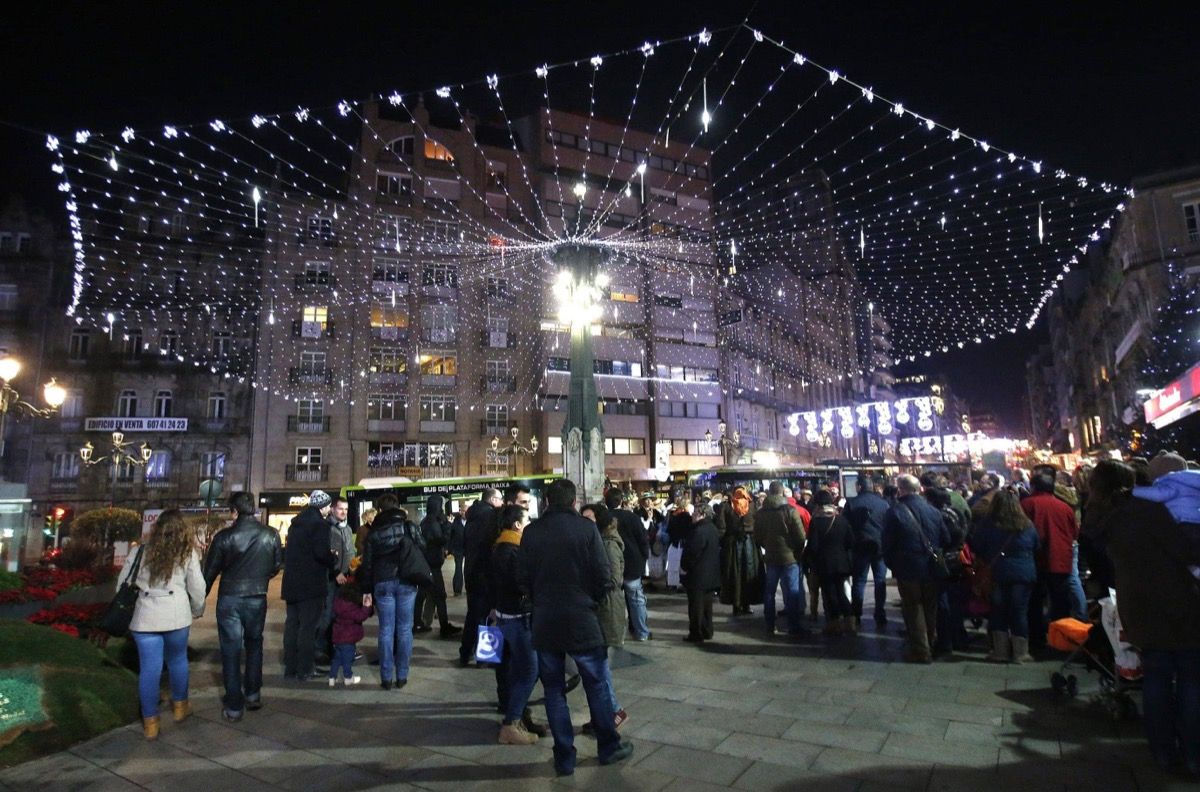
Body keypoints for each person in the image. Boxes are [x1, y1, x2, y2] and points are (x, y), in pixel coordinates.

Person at [518, 478, 633, 776]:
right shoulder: (586, 530)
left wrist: (539, 598)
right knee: (596, 684)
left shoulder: (531, 533)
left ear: (545, 501)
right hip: (582, 618)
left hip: (546, 620)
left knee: (554, 690)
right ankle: (608, 746)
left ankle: (564, 756)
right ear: (572, 502)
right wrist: (588, 600)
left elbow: (522, 578)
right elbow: (604, 576)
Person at [1107, 455, 1200, 776]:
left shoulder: (1130, 512)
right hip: (1189, 608)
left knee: (1157, 679)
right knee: (1192, 681)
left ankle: (1162, 752)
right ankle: (1193, 755)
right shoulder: (1191, 506)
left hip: (1146, 610)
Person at [122, 509, 206, 740]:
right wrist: (198, 608)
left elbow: (122, 584)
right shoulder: (186, 553)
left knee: (149, 669)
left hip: (145, 616)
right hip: (176, 614)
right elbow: (197, 587)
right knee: (178, 660)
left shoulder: (139, 551)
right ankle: (180, 707)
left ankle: (151, 722)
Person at [202, 492, 283, 722]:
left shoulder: (224, 537)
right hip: (257, 596)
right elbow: (276, 565)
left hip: (230, 597)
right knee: (255, 643)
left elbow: (210, 572)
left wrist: (198, 599)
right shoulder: (270, 534)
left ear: (234, 511)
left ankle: (234, 705)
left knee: (230, 649)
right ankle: (253, 693)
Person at [489, 503, 547, 745]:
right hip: (517, 619)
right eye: (527, 519)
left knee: (518, 670)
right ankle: (511, 723)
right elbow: (519, 584)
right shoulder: (510, 549)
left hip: (508, 616)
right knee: (530, 670)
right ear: (517, 524)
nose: (530, 523)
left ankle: (520, 714)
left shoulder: (503, 545)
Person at [360, 492, 429, 690]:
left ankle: (386, 677)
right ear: (398, 506)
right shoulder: (409, 526)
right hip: (406, 581)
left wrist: (366, 590)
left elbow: (368, 564)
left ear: (380, 510)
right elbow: (423, 548)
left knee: (385, 630)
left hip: (382, 582)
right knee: (405, 629)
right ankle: (402, 675)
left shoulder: (374, 532)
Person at [882, 475, 951, 663]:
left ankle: (921, 650)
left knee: (913, 608)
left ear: (900, 489)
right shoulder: (933, 511)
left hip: (907, 568)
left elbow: (887, 543)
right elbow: (945, 538)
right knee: (930, 607)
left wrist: (893, 564)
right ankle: (930, 641)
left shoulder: (894, 512)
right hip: (931, 566)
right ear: (918, 489)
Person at [972, 489, 1039, 663]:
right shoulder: (1027, 525)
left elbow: (977, 546)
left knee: (998, 611)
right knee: (1019, 612)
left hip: (997, 573)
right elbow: (1036, 546)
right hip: (1023, 574)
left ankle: (1000, 651)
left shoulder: (988, 524)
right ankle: (1021, 652)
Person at [1023, 466, 1085, 653]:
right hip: (1061, 560)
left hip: (1036, 560)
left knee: (1035, 602)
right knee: (1060, 602)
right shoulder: (1065, 507)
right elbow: (1075, 533)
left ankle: (1037, 638)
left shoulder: (1027, 504)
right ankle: (1061, 639)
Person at [282, 490, 339, 682]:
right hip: (311, 584)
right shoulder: (320, 525)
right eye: (329, 506)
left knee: (292, 626)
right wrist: (333, 557)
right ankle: (306, 669)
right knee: (308, 628)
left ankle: (290, 668)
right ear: (323, 507)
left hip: (292, 584)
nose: (330, 509)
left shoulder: (296, 524)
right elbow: (321, 554)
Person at [581, 502, 628, 732]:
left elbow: (613, 579)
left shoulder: (607, 545)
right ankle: (604, 714)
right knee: (597, 667)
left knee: (599, 667)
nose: (584, 523)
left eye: (589, 519)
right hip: (599, 608)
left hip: (606, 609)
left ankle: (613, 711)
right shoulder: (595, 542)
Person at [754, 481, 808, 637]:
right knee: (792, 591)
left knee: (769, 592)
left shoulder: (761, 513)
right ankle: (794, 625)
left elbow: (758, 537)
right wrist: (796, 550)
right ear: (782, 492)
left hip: (771, 557)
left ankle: (770, 624)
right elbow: (800, 537)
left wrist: (768, 546)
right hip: (790, 557)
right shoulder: (790, 511)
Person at [460, 487, 503, 666]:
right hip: (485, 572)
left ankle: (466, 652)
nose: (501, 503)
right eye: (499, 499)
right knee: (488, 615)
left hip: (472, 571)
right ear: (492, 500)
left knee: (474, 614)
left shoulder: (473, 516)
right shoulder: (490, 517)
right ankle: (485, 657)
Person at [803, 489, 855, 635]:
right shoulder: (841, 519)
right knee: (842, 592)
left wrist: (809, 560)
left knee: (829, 594)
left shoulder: (816, 521)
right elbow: (850, 541)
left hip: (824, 563)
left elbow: (813, 545)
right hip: (842, 562)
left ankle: (833, 624)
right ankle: (850, 623)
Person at [845, 474, 890, 630]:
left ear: (859, 486)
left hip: (860, 546)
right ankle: (880, 613)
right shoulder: (883, 504)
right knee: (880, 581)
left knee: (859, 581)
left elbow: (847, 527)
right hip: (879, 547)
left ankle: (856, 614)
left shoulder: (852, 503)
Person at [606, 489, 652, 641]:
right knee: (636, 600)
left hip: (611, 566)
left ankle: (617, 635)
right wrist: (643, 558)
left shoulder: (604, 519)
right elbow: (643, 540)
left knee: (614, 602)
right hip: (632, 564)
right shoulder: (632, 518)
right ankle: (642, 632)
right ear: (621, 501)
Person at [416, 494, 461, 638]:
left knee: (424, 595)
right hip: (432, 565)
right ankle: (444, 626)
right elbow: (440, 540)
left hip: (427, 563)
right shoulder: (433, 522)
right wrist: (448, 526)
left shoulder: (426, 521)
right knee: (439, 596)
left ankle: (419, 622)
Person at [315, 497, 353, 666]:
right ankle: (320, 650)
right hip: (331, 579)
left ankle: (337, 649)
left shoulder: (348, 529)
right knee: (327, 616)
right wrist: (335, 572)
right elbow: (323, 554)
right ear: (332, 510)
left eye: (346, 509)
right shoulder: (327, 528)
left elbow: (349, 552)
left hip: (346, 579)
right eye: (340, 509)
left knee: (342, 616)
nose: (343, 512)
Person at [718, 486, 761, 615]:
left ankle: (736, 605)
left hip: (732, 545)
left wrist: (721, 543)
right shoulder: (752, 505)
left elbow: (721, 527)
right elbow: (757, 524)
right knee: (748, 573)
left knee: (734, 574)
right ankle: (746, 604)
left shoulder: (726, 506)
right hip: (749, 544)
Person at [682, 501, 721, 642]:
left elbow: (692, 553)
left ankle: (696, 633)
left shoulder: (699, 531)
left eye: (695, 512)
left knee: (696, 607)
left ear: (703, 514)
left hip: (698, 575)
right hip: (710, 574)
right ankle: (707, 630)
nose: (692, 515)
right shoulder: (712, 528)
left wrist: (685, 566)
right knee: (707, 606)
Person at [329, 581, 372, 686]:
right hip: (348, 639)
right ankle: (348, 677)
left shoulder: (338, 604)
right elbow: (361, 616)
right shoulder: (352, 608)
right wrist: (366, 606)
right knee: (348, 659)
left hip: (337, 637)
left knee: (336, 658)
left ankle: (332, 678)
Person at [448, 501, 467, 596]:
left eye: (466, 511)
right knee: (458, 569)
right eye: (462, 511)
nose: (464, 513)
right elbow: (451, 536)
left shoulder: (472, 521)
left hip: (469, 549)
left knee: (468, 569)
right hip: (458, 548)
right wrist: (450, 548)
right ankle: (457, 589)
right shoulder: (455, 522)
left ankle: (469, 587)